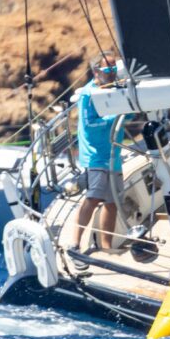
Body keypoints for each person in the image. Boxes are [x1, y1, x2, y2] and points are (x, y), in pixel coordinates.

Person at [67, 60, 124, 256]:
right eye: (108, 70)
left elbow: (127, 116)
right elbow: (90, 124)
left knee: (112, 203)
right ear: (96, 71)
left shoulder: (115, 88)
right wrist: (114, 116)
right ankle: (75, 243)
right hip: (96, 155)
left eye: (114, 69)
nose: (112, 73)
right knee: (93, 198)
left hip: (113, 155)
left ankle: (106, 246)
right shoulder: (87, 94)